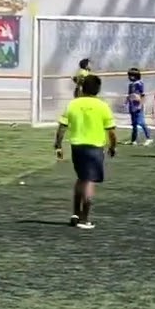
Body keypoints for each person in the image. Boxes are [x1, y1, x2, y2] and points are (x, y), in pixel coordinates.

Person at [54, 74, 116, 230]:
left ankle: (75, 213)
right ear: (98, 89)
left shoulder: (73, 104)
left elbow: (62, 127)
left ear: (82, 87)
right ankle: (84, 218)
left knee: (81, 178)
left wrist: (58, 144)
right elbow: (111, 131)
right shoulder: (103, 106)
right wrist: (113, 146)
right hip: (94, 147)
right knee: (89, 181)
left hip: (77, 146)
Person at [126, 67, 151, 146]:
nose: (129, 77)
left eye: (131, 75)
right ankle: (133, 140)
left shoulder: (139, 84)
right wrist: (127, 102)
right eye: (129, 75)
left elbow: (142, 95)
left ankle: (148, 138)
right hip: (132, 105)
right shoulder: (130, 85)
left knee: (141, 122)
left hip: (138, 106)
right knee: (134, 124)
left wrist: (140, 105)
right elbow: (129, 95)